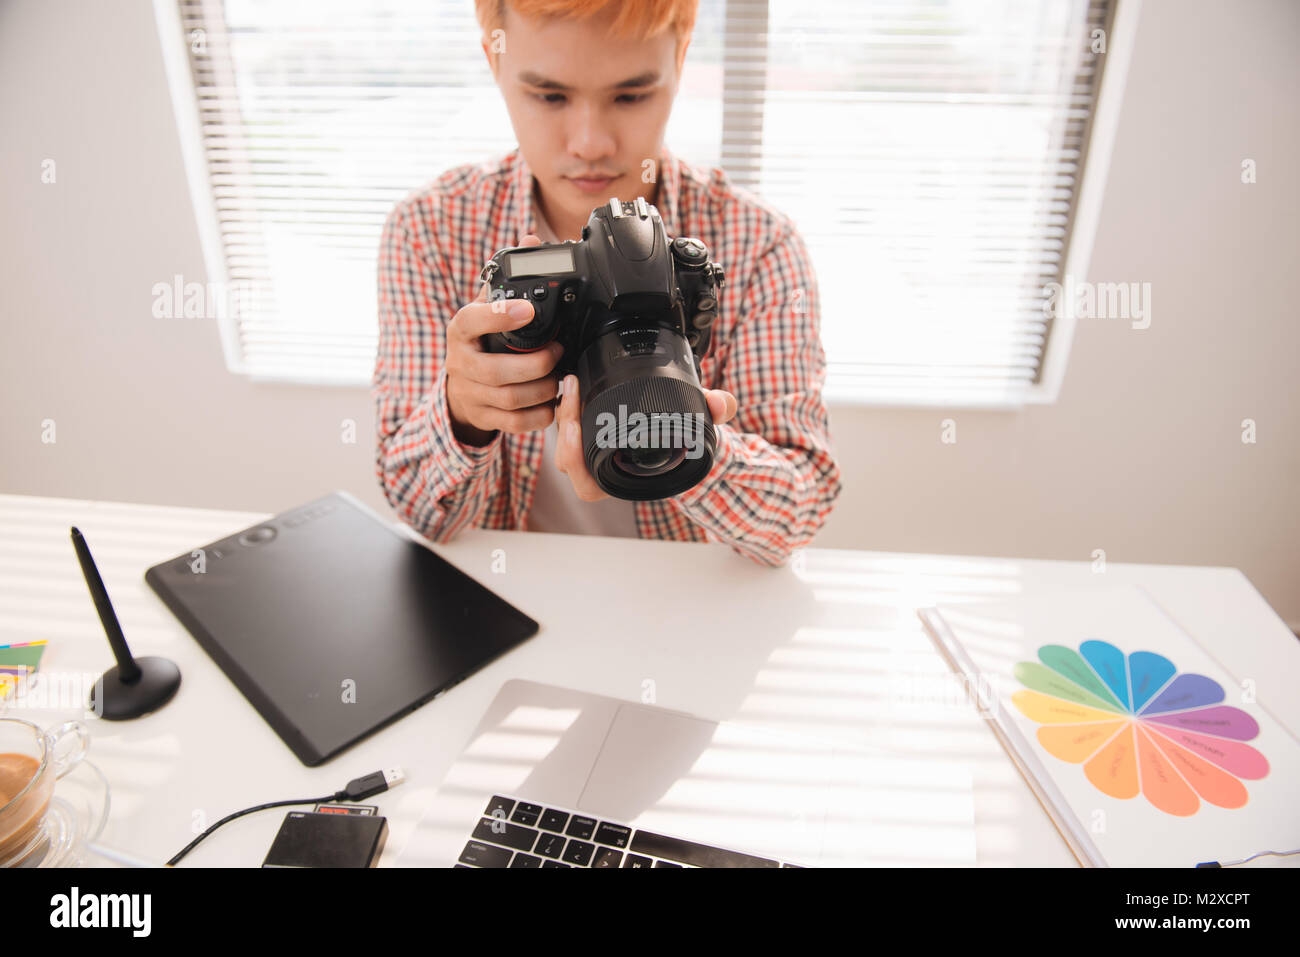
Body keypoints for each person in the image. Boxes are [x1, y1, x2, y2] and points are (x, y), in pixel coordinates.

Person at [373, 0, 841, 567]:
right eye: (550, 96)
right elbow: (423, 514)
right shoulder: (431, 231)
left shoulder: (755, 241)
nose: (590, 143)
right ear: (495, 63)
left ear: (681, 59)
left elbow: (798, 515)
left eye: (630, 95)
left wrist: (681, 432)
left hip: (685, 605)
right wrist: (464, 414)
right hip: (507, 594)